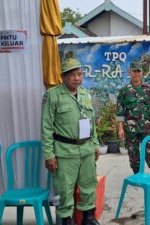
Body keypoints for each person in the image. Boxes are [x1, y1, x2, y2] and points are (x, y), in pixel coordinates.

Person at [41, 57, 100, 225]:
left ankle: (89, 218)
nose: (77, 78)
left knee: (89, 185)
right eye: (73, 75)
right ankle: (66, 220)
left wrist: (95, 144)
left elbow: (91, 123)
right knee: (65, 189)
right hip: (65, 152)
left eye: (80, 74)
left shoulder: (85, 94)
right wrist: (49, 155)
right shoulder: (52, 96)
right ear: (63, 77)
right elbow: (46, 128)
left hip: (86, 149)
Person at [116, 60, 150, 174]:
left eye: (138, 71)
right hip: (131, 129)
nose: (136, 73)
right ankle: (137, 175)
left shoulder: (149, 89)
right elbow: (120, 110)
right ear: (130, 72)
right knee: (133, 154)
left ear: (142, 73)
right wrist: (120, 128)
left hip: (146, 128)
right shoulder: (124, 91)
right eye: (134, 71)